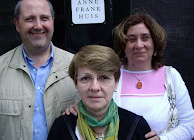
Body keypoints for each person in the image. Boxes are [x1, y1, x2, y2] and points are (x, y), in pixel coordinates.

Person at [65, 13, 194, 140]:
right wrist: (78, 109)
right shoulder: (109, 75)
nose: (138, 45)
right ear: (123, 45)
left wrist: (163, 139)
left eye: (145, 38)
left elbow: (190, 124)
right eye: (131, 39)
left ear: (155, 42)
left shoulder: (171, 76)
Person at [0, 0, 79, 140]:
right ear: (17, 24)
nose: (38, 26)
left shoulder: (77, 65)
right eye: (30, 19)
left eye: (44, 18)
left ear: (52, 21)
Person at [48, 45, 151, 140]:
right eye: (86, 78)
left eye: (104, 77)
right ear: (76, 84)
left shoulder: (137, 127)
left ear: (116, 82)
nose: (95, 87)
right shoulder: (61, 128)